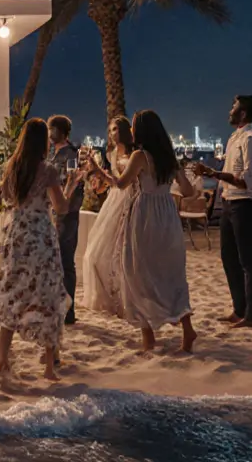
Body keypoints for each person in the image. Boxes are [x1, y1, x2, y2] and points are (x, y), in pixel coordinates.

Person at [89, 111, 199, 353]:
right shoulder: (170, 158)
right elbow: (189, 191)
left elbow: (120, 184)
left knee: (137, 273)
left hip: (145, 214)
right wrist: (166, 194)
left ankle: (148, 339)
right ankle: (187, 328)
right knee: (170, 274)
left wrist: (98, 170)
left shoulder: (140, 156)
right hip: (168, 216)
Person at [0, 118, 74, 380]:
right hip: (39, 234)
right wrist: (72, 185)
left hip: (16, 233)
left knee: (15, 290)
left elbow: (5, 198)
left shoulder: (12, 167)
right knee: (48, 292)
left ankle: (2, 356)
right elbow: (61, 207)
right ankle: (50, 367)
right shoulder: (48, 170)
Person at [192, 95, 252, 329]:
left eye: (234, 107)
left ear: (243, 113)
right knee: (229, 257)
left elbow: (248, 180)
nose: (230, 111)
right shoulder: (234, 138)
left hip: (247, 204)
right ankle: (239, 309)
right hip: (230, 202)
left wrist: (213, 174)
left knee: (248, 259)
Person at [80, 116, 135, 316]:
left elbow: (123, 181)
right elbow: (111, 183)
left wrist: (98, 171)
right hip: (114, 200)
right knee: (97, 251)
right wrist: (96, 180)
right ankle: (108, 296)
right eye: (110, 130)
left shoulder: (135, 153)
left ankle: (126, 298)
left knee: (122, 251)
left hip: (129, 199)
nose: (112, 134)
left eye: (116, 129)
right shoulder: (111, 153)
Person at [46, 115, 84, 325]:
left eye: (52, 129)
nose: (50, 133)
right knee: (56, 261)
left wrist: (65, 207)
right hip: (53, 213)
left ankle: (68, 312)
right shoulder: (53, 153)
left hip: (67, 215)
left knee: (66, 261)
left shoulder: (71, 155)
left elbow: (77, 188)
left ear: (62, 132)